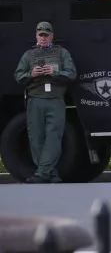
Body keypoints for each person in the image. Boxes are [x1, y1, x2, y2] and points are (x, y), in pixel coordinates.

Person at [13, 21, 77, 183]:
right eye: (40, 35)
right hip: (35, 100)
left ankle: (41, 174)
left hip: (55, 100)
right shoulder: (28, 55)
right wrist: (31, 74)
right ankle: (52, 173)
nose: (43, 38)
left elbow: (72, 74)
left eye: (46, 35)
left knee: (54, 137)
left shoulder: (62, 53)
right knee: (36, 137)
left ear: (51, 37)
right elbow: (18, 76)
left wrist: (55, 72)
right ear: (36, 36)